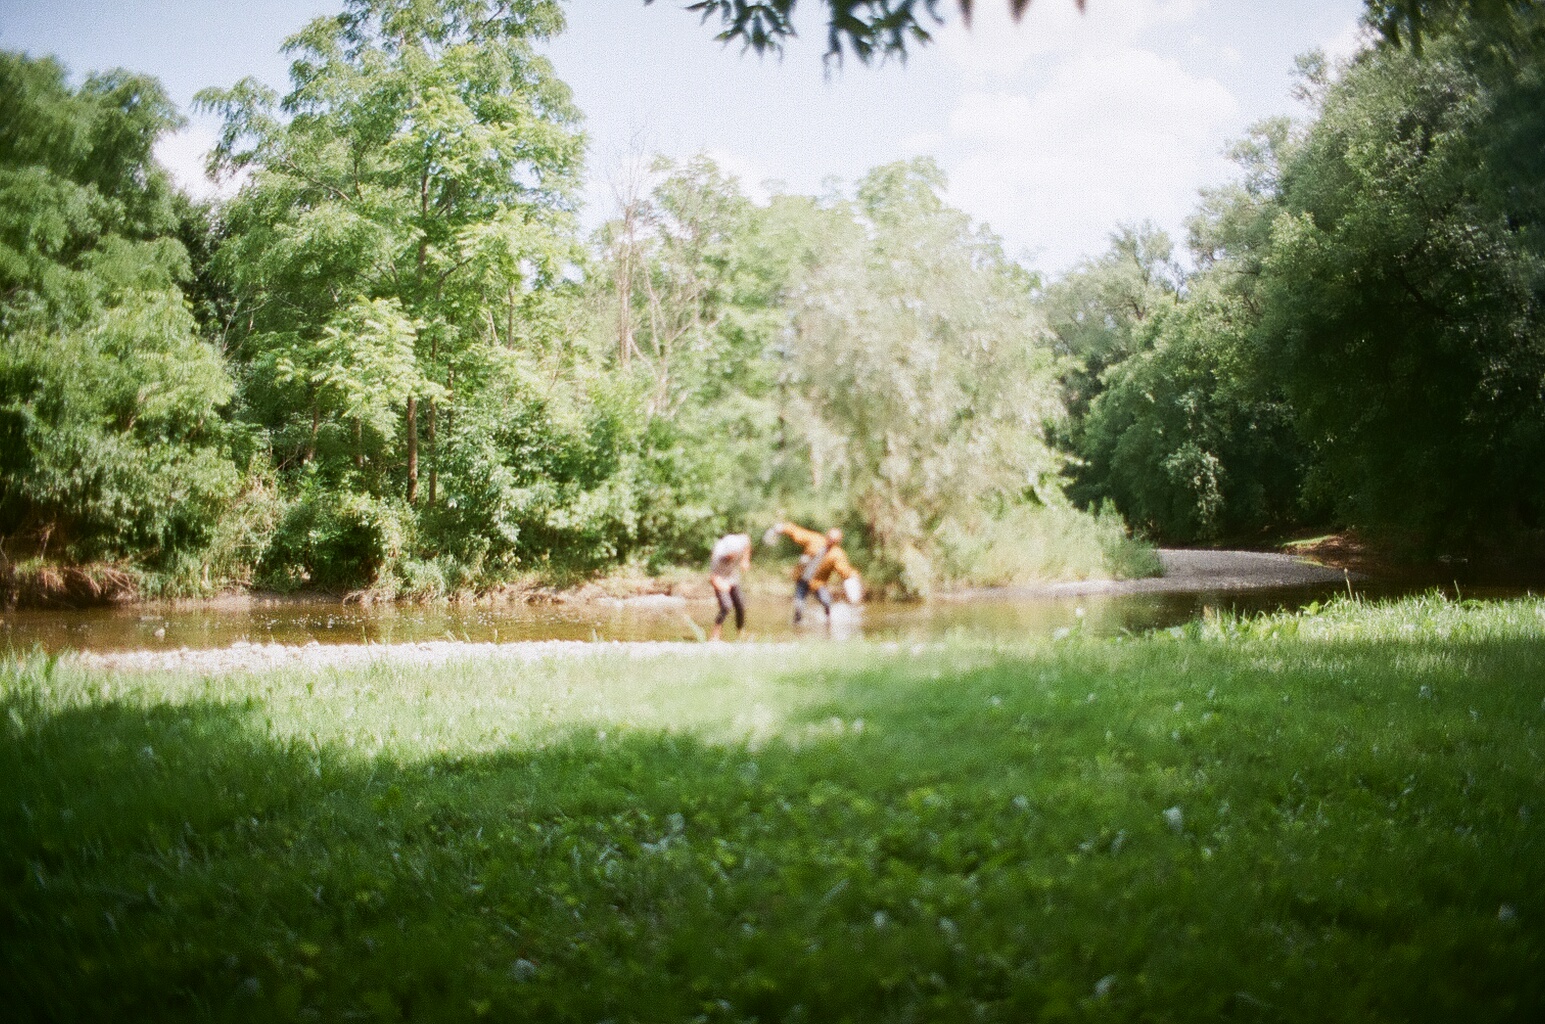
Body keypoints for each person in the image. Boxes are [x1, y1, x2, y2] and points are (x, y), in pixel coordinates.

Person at [771, 521, 861, 623]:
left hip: (818, 583)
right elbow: (797, 533)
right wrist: (783, 527)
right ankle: (797, 624)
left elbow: (844, 570)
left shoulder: (837, 554)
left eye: (834, 541)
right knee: (798, 606)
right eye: (829, 538)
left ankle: (828, 621)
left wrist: (853, 576)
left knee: (826, 602)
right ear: (826, 536)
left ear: (837, 542)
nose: (830, 541)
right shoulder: (815, 539)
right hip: (802, 579)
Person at [708, 533, 753, 641]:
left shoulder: (741, 543)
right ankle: (715, 635)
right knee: (726, 605)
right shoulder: (717, 555)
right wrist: (721, 585)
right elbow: (712, 577)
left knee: (740, 604)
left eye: (734, 554)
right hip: (720, 578)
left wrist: (745, 559)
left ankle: (740, 632)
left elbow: (747, 540)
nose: (732, 557)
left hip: (732, 576)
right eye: (730, 555)